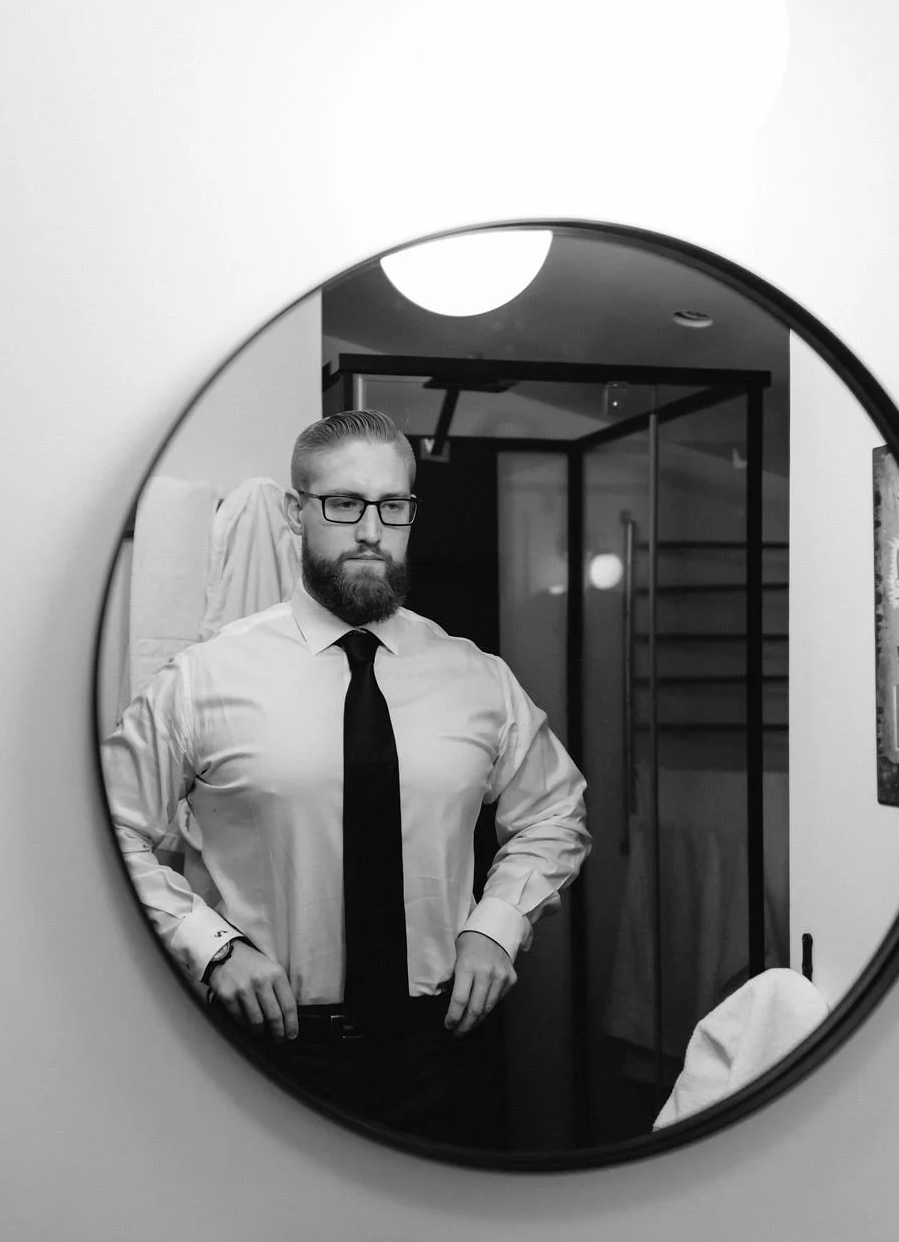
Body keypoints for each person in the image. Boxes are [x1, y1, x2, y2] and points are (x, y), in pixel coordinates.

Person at [101, 409, 590, 1143]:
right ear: (295, 512)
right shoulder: (204, 679)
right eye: (344, 504)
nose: (370, 531)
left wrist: (497, 926)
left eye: (393, 507)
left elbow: (556, 811)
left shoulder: (476, 677)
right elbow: (105, 828)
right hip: (263, 1054)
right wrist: (210, 945)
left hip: (445, 1050)